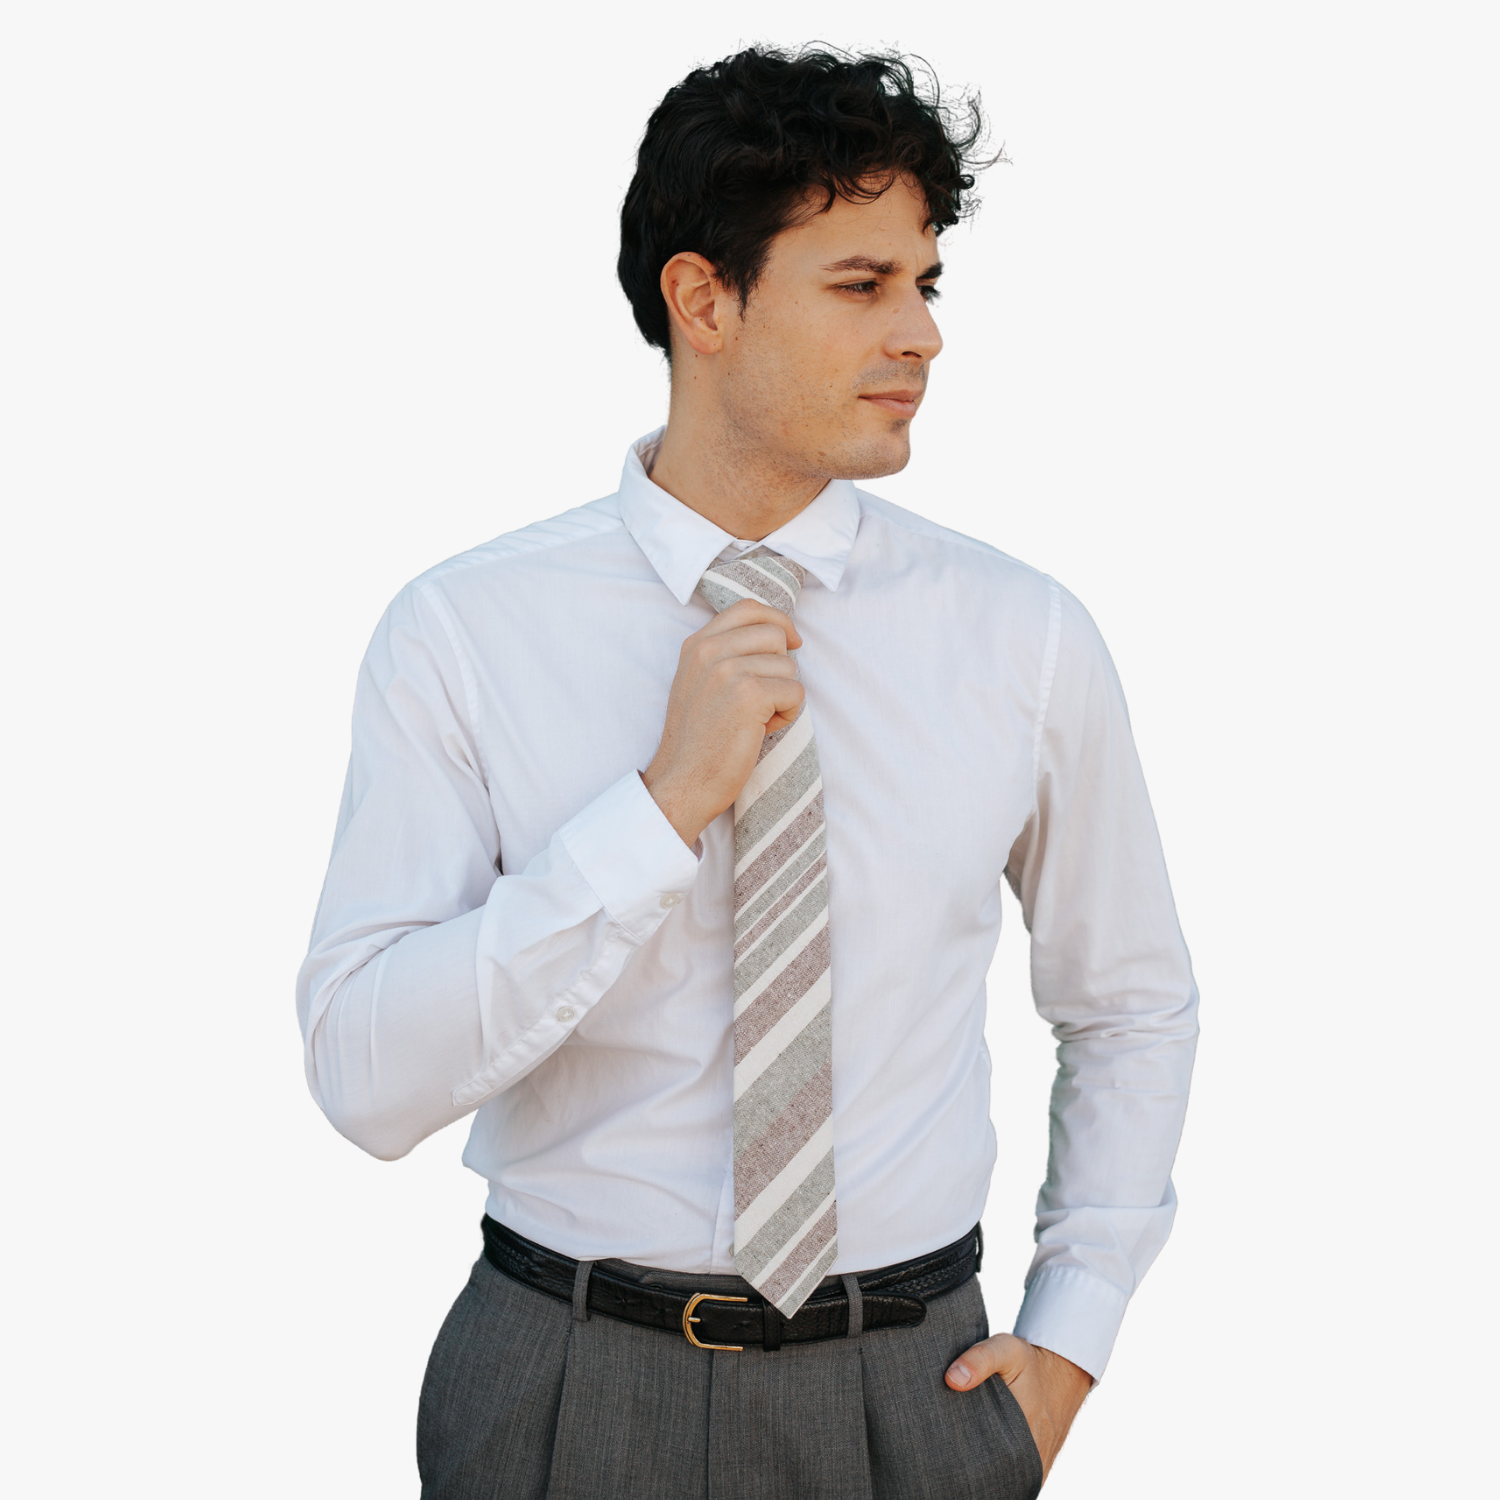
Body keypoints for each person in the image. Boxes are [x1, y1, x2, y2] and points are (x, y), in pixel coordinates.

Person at [297, 46, 1198, 1500]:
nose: (922, 335)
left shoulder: (1022, 637)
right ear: (703, 300)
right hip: (564, 1388)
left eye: (926, 283)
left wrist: (1073, 1335)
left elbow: (1131, 999)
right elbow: (364, 1079)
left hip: (916, 1389)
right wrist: (654, 816)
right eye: (861, 285)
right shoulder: (464, 633)